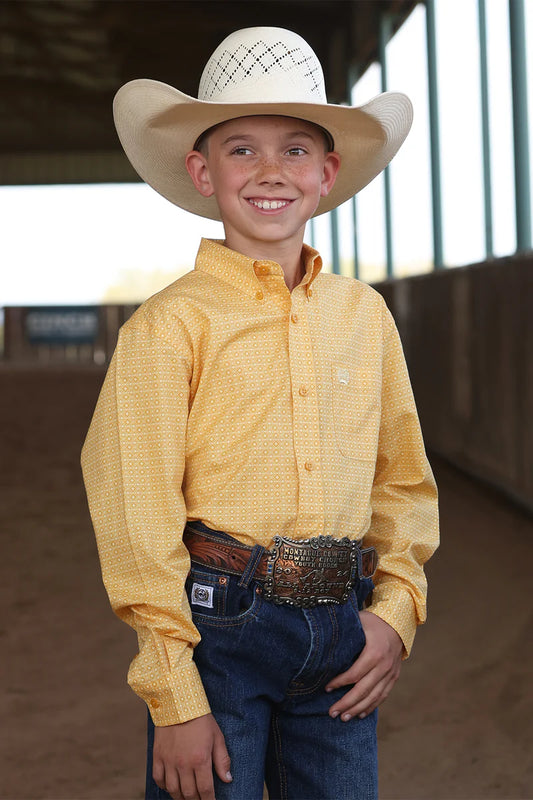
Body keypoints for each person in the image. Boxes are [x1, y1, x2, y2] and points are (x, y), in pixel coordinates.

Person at [81, 26, 439, 800]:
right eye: (241, 149)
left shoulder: (363, 317)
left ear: (327, 172)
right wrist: (174, 694)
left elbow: (401, 479)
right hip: (219, 633)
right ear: (202, 172)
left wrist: (395, 609)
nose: (270, 170)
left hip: (342, 630)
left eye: (296, 149)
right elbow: (134, 508)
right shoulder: (168, 326)